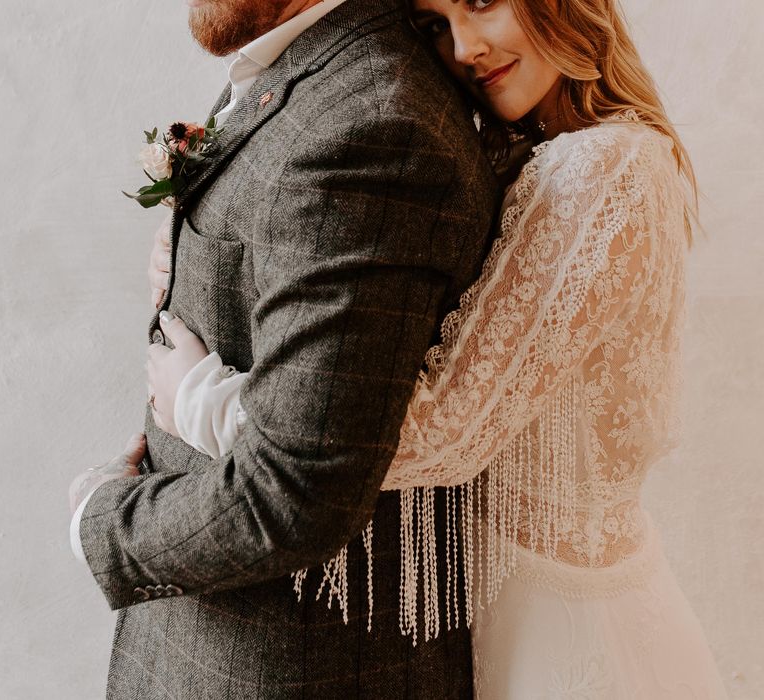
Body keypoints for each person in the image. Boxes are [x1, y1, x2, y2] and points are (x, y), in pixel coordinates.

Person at [143, 0, 731, 697]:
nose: (466, 47)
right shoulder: (523, 157)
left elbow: (445, 431)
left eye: (480, 3)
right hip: (493, 614)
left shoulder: (608, 168)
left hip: (571, 635)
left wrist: (201, 399)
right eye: (436, 25)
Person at [67, 0, 500, 697]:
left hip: (284, 671)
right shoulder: (303, 68)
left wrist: (102, 520)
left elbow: (295, 489)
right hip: (203, 651)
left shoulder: (376, 124)